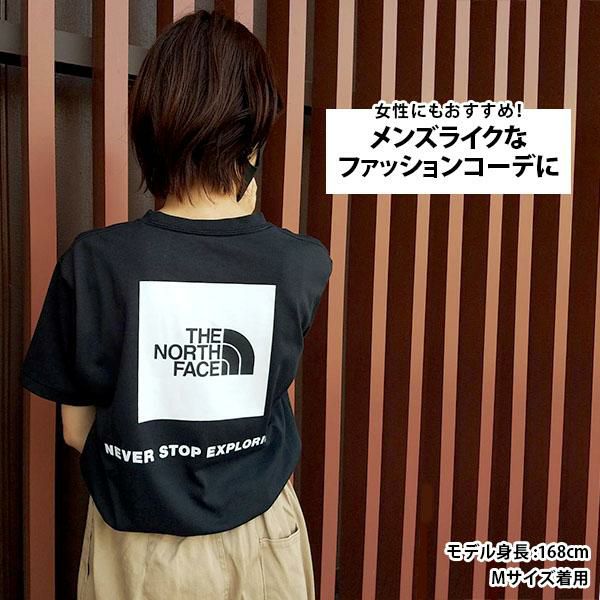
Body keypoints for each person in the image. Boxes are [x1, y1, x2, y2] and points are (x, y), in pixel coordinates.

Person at [20, 9, 332, 600]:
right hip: (264, 533)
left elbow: (76, 431)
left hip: (134, 544)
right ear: (255, 126)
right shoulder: (301, 262)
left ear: (152, 122)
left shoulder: (97, 262)